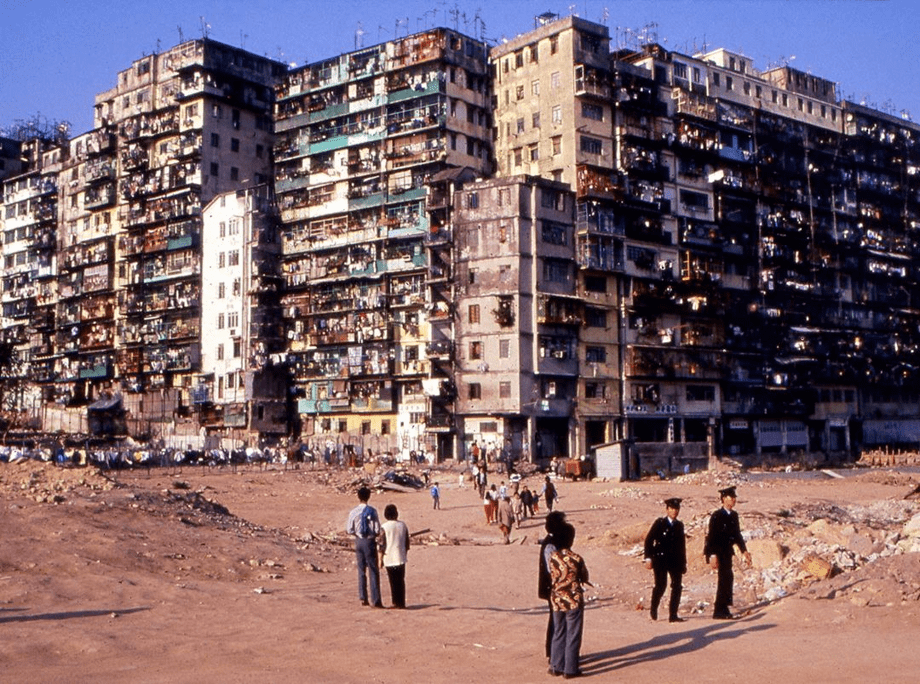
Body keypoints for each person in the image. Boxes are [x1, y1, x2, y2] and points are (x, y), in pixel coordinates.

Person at [703, 486, 751, 619]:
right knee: (723, 578)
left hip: (728, 552)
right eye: (731, 497)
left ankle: (724, 607)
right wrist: (712, 555)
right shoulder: (717, 515)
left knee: (728, 578)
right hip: (718, 552)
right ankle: (719, 610)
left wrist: (744, 551)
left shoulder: (734, 515)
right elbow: (711, 537)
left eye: (735, 497)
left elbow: (737, 535)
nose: (734, 500)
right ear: (724, 499)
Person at [549, 522, 589, 679]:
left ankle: (555, 666)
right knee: (573, 634)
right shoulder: (577, 558)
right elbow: (584, 577)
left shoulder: (553, 557)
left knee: (558, 631)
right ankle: (570, 669)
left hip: (556, 598)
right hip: (573, 598)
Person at [644, 497, 687, 622]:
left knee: (677, 586)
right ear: (667, 509)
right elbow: (649, 540)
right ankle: (653, 608)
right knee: (661, 586)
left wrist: (683, 563)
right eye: (672, 509)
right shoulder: (660, 523)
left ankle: (673, 615)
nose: (675, 511)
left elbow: (681, 546)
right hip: (661, 560)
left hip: (675, 561)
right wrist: (648, 558)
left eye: (677, 509)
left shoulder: (679, 525)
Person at [345, 486, 383, 608]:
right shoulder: (372, 511)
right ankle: (375, 599)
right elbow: (377, 529)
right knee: (373, 570)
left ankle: (363, 597)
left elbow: (349, 529)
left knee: (361, 570)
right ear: (369, 496)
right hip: (369, 541)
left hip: (359, 541)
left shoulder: (353, 512)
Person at [538, 511, 567, 663]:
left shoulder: (553, 541)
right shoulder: (550, 544)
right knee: (557, 622)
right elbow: (553, 569)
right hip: (553, 588)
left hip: (555, 588)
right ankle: (553, 654)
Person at [380, 504, 410, 609]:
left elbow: (382, 545)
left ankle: (395, 602)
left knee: (393, 581)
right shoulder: (403, 525)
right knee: (401, 580)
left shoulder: (384, 527)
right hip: (401, 556)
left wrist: (380, 560)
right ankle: (401, 602)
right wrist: (404, 553)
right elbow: (407, 543)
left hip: (389, 557)